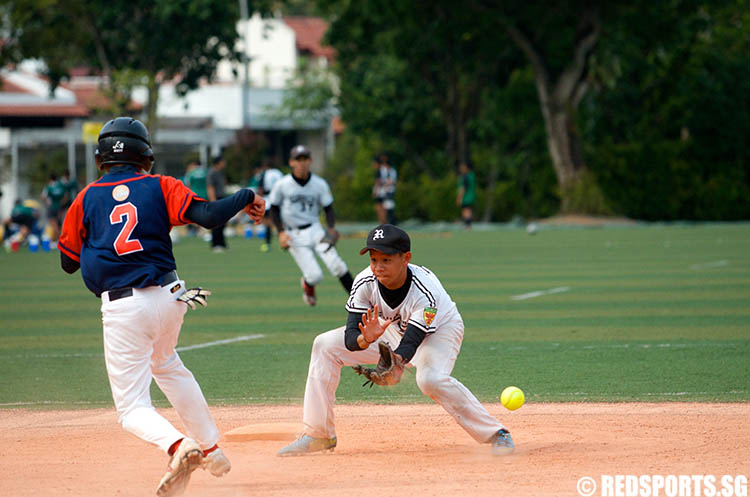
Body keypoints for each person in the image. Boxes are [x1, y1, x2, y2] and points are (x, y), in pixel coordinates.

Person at [57, 117, 266, 497]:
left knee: (131, 409)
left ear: (101, 156)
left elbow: (68, 262)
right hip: (172, 296)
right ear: (144, 154)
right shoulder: (160, 185)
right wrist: (247, 194)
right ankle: (212, 450)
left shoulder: (85, 197)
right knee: (167, 364)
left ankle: (178, 446)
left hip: (124, 306)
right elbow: (208, 217)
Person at [276, 224, 514, 457]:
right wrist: (363, 339)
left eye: (386, 260)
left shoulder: (425, 292)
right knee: (324, 345)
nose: (378, 267)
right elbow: (351, 336)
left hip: (438, 332)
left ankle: (497, 433)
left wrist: (396, 363)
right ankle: (319, 434)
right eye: (373, 259)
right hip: (390, 329)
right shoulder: (364, 282)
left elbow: (412, 342)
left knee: (429, 379)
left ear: (406, 258)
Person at [269, 144, 354, 306]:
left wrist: (331, 228)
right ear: (291, 162)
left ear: (310, 161)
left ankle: (360, 302)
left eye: (305, 159)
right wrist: (280, 232)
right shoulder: (283, 184)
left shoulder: (319, 184)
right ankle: (308, 284)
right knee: (315, 276)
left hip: (315, 229)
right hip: (293, 233)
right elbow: (273, 208)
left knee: (338, 266)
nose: (302, 163)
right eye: (298, 159)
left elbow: (328, 208)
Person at [254, 159, 283, 252]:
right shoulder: (279, 173)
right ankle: (283, 242)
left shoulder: (264, 174)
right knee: (280, 223)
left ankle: (267, 244)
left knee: (267, 224)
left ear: (266, 166)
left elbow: (260, 190)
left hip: (268, 201)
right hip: (279, 201)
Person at [206, 155, 228, 252]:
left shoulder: (220, 172)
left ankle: (222, 243)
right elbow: (210, 187)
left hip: (222, 198)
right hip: (216, 199)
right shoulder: (212, 172)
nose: (224, 163)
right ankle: (215, 244)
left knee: (223, 222)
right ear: (218, 162)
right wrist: (213, 201)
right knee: (216, 222)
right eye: (223, 161)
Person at [371, 154, 397, 225]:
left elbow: (379, 182)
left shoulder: (391, 170)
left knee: (386, 208)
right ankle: (382, 223)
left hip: (385, 191)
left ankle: (385, 223)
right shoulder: (381, 170)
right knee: (380, 207)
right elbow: (379, 182)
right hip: (381, 191)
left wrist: (376, 190)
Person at [41, 172, 66, 241]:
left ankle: (60, 240)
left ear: (50, 179)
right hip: (59, 208)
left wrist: (47, 204)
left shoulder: (49, 187)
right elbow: (66, 197)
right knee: (58, 225)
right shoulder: (61, 186)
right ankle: (57, 240)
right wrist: (61, 204)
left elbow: (43, 197)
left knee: (54, 225)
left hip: (52, 208)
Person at [456, 162, 477, 230]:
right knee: (468, 211)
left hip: (466, 197)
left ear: (466, 168)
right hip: (471, 196)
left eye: (462, 167)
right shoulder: (472, 175)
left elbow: (463, 188)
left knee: (466, 211)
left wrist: (459, 198)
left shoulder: (465, 176)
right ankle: (467, 225)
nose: (461, 169)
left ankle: (468, 226)